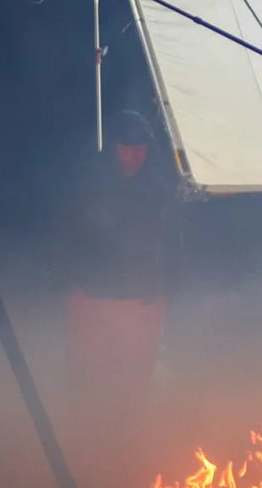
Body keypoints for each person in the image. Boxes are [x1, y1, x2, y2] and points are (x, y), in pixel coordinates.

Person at [64, 109, 181, 451]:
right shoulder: (87, 183)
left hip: (141, 300)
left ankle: (130, 446)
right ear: (113, 149)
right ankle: (89, 448)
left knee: (136, 380)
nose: (135, 156)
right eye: (127, 148)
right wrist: (71, 286)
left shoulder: (158, 189)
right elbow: (67, 237)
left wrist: (166, 289)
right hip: (94, 298)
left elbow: (175, 242)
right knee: (91, 378)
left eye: (141, 149)